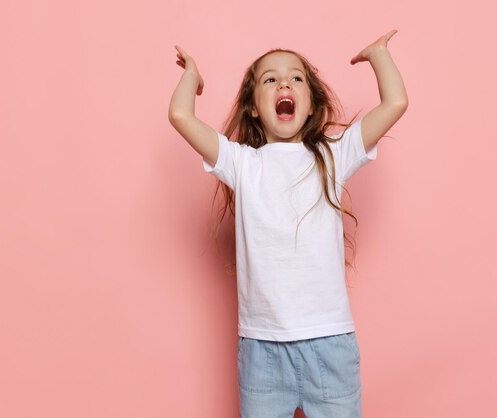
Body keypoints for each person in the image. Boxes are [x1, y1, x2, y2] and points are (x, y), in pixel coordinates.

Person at [168, 29, 408, 418]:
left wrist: (379, 54)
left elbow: (395, 102)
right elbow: (180, 115)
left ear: (310, 105)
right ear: (253, 108)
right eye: (270, 78)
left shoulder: (333, 156)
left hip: (329, 344)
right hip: (262, 350)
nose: (284, 82)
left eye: (296, 77)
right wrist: (191, 77)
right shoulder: (242, 163)